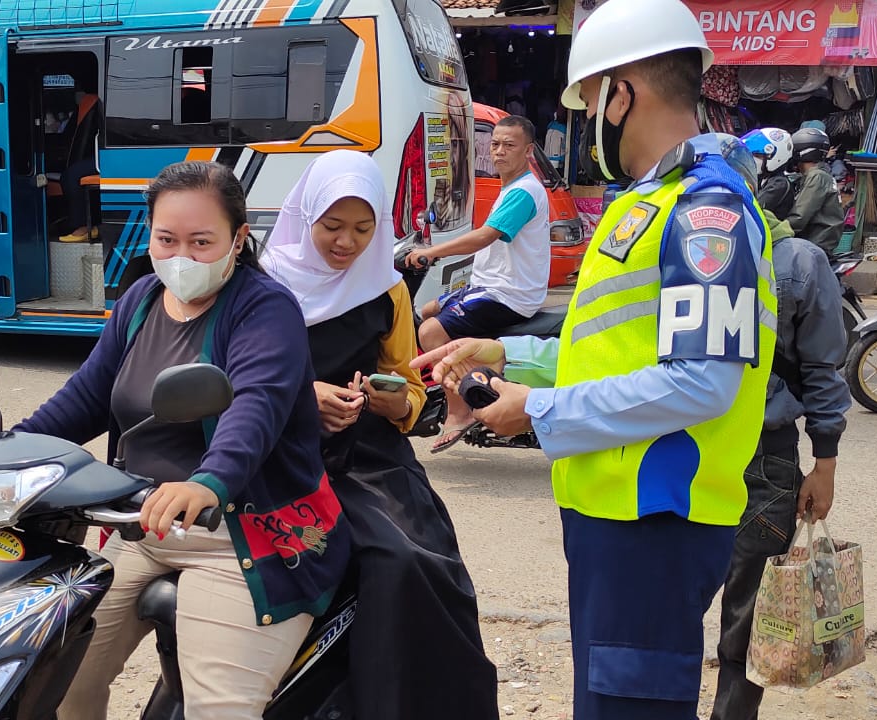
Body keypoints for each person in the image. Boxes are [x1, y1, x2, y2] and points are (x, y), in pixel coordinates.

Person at [415, 0, 778, 715]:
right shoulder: (649, 201)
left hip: (656, 517)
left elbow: (703, 382)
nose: (580, 126)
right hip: (616, 513)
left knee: (626, 708)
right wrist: (507, 351)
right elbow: (614, 346)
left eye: (585, 104)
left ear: (621, 93)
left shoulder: (707, 211)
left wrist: (538, 412)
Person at [0, 161, 348, 719]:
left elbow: (257, 404)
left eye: (202, 241)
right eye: (167, 239)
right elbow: (85, 398)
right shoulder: (139, 301)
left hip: (240, 540)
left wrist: (210, 481)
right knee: (51, 678)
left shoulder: (265, 308)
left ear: (238, 239)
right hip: (139, 529)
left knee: (219, 709)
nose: (182, 256)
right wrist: (1, 447)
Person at [261, 150, 498, 719]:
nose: (347, 244)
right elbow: (237, 381)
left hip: (370, 458)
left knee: (415, 562)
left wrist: (396, 401)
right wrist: (302, 401)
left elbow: (412, 393)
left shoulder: (386, 289)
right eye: (332, 227)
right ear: (305, 216)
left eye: (364, 230)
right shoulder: (265, 286)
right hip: (283, 453)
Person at [711, 176, 850, 720]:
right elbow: (822, 368)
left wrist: (826, 466)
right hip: (765, 457)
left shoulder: (677, 253)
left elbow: (821, 370)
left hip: (693, 449)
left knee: (679, 600)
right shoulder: (799, 259)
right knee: (745, 610)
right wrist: (825, 464)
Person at [406, 114, 551, 452]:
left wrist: (433, 251)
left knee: (430, 332)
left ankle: (460, 410)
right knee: (425, 310)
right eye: (496, 144)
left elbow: (485, 237)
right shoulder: (511, 188)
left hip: (508, 295)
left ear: (528, 150)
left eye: (509, 145)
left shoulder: (524, 192)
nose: (499, 151)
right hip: (488, 287)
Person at [787, 127, 846, 254]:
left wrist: (774, 231)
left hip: (814, 244)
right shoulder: (819, 174)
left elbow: (799, 217)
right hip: (815, 242)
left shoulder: (817, 176)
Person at [58, 71, 102, 243]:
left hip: (108, 157)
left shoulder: (90, 102)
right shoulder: (96, 101)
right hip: (103, 154)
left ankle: (83, 226)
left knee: (72, 175)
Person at [743, 126, 798, 218]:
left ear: (775, 157)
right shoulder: (765, 179)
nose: (753, 159)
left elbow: (753, 209)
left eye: (757, 155)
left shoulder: (779, 184)